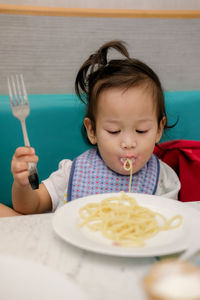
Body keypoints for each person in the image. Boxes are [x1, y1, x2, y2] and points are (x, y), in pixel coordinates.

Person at [10, 40, 180, 215]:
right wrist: (22, 184)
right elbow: (31, 207)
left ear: (159, 129)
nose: (129, 143)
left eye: (141, 130)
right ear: (92, 131)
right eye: (114, 131)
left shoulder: (163, 180)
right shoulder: (73, 173)